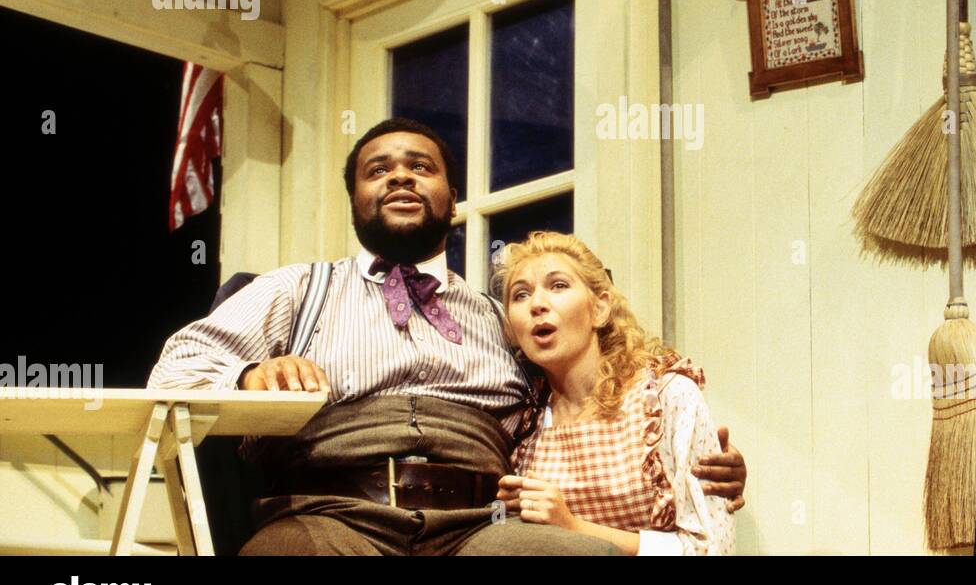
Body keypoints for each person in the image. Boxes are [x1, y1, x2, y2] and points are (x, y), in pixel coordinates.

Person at [148, 116, 747, 555]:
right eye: (378, 170)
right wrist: (250, 377)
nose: (401, 178)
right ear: (356, 200)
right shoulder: (298, 290)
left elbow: (596, 392)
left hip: (479, 528)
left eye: (421, 167)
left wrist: (690, 457)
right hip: (330, 517)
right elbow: (177, 364)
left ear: (452, 200)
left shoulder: (501, 314)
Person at [494, 232, 734, 555]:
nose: (537, 304)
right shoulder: (522, 425)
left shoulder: (665, 400)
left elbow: (710, 547)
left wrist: (573, 528)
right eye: (520, 295)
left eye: (558, 286)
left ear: (600, 308)